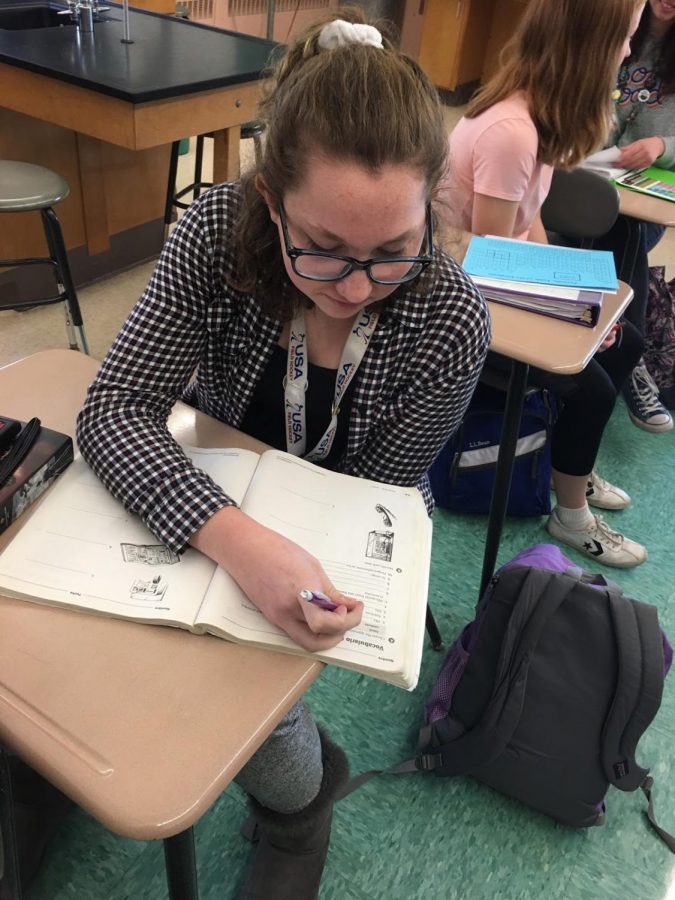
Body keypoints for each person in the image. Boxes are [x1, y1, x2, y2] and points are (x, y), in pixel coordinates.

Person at [75, 9, 491, 898]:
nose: (353, 288)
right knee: (106, 629)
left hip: (349, 504)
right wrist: (238, 540)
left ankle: (300, 808)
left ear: (429, 211)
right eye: (324, 251)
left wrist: (270, 564)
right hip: (221, 482)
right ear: (269, 202)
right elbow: (113, 408)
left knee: (248, 670)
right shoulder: (214, 233)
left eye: (392, 253)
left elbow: (370, 502)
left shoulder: (448, 318)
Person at [439, 0, 649, 569]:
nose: (629, 51)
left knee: (624, 338)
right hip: (458, 311)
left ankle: (569, 464)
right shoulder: (512, 132)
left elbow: (526, 220)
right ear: (588, 48)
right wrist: (570, 317)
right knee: (595, 389)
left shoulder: (535, 119)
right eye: (625, 38)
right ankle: (571, 513)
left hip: (488, 281)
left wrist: (579, 303)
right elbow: (490, 264)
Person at [598, 0, 675, 432]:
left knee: (623, 231)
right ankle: (631, 361)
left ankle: (625, 358)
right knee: (612, 232)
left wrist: (663, 146)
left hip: (641, 203)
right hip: (587, 177)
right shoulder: (614, 30)